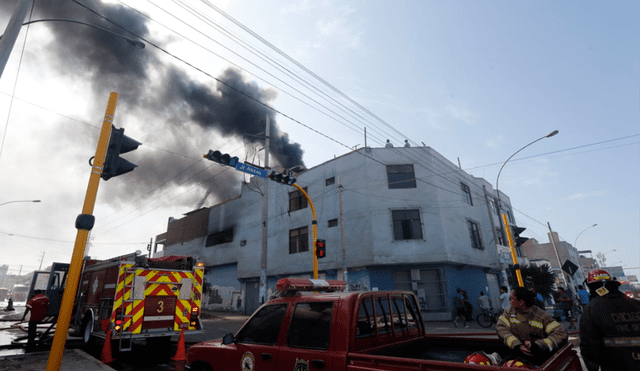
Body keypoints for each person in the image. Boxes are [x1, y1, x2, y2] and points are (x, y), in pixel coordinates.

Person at [580, 269, 640, 371]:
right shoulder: (636, 304)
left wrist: (592, 367)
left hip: (615, 365)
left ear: (591, 287)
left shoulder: (591, 309)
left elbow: (589, 343)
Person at [496, 287, 568, 366]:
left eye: (511, 298)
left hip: (538, 358)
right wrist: (517, 345)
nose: (509, 301)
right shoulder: (508, 313)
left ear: (521, 302)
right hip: (516, 355)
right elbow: (501, 328)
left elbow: (561, 333)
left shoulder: (541, 316)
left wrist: (537, 345)